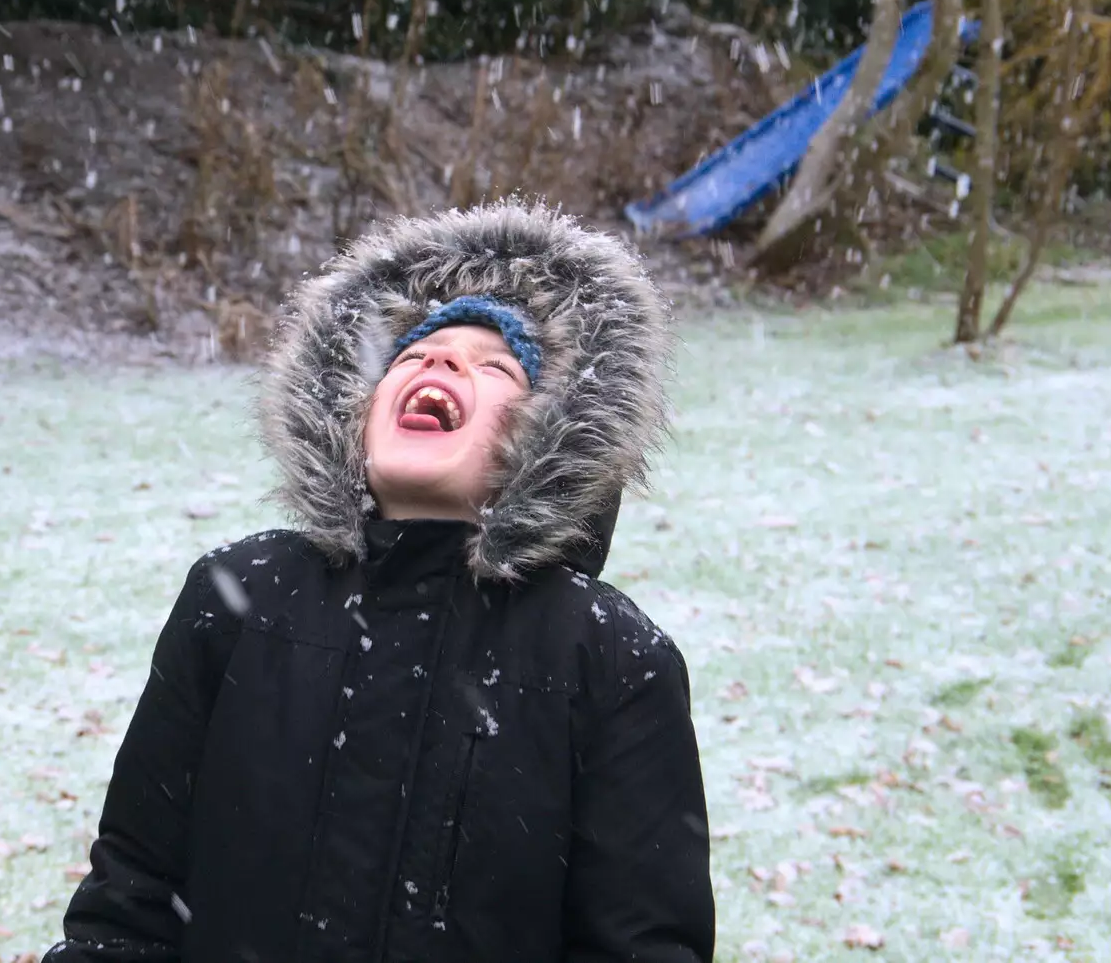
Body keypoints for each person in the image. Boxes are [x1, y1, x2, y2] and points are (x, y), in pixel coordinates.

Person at [43, 201, 714, 963]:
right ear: (352, 411)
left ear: (550, 436)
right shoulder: (238, 597)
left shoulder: (608, 657)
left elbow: (643, 945)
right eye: (412, 355)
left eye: (495, 365)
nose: (440, 362)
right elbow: (129, 899)